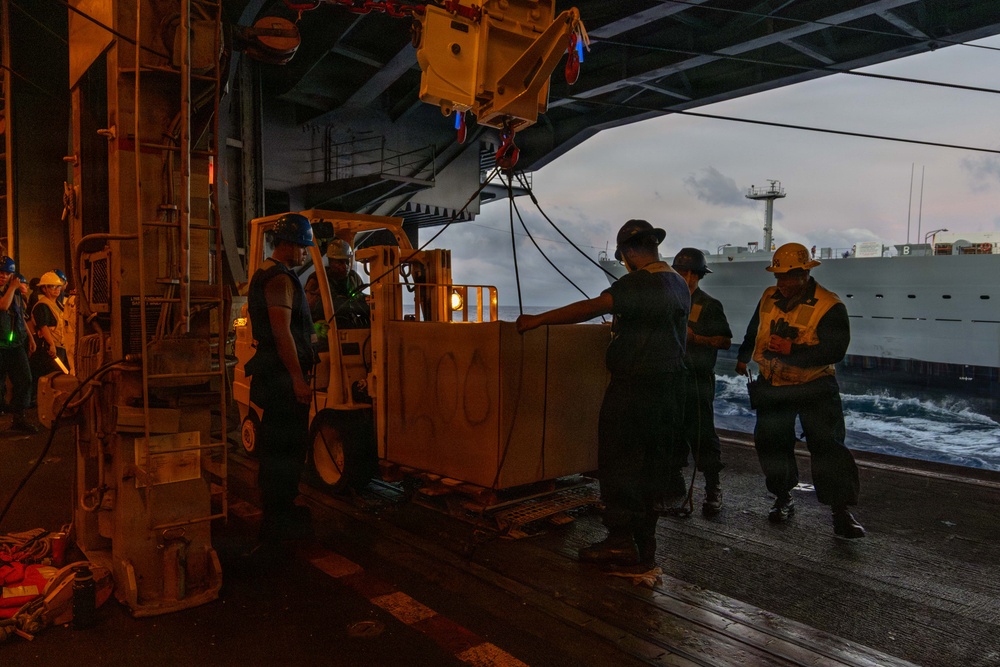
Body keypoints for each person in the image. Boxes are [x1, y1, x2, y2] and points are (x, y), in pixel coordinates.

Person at [517, 219, 690, 570]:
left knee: (620, 461)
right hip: (669, 388)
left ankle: (621, 543)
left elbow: (593, 306)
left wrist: (537, 321)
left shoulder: (639, 282)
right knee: (651, 465)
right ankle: (645, 543)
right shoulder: (678, 283)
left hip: (635, 387)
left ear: (626, 253)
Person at [735, 242, 865, 539]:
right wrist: (744, 356)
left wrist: (792, 349)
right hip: (774, 384)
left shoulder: (829, 305)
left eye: (790, 277)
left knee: (829, 448)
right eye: (779, 277)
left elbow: (835, 351)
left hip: (814, 386)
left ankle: (841, 512)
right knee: (771, 443)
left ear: (805, 273)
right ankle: (782, 498)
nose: (783, 284)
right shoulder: (769, 296)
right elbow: (756, 327)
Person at [244, 213, 316, 543]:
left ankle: (277, 514)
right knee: (287, 449)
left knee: (275, 446)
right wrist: (298, 379)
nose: (304, 253)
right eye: (302, 247)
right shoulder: (281, 280)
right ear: (287, 244)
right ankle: (279, 521)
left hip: (271, 377)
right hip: (283, 381)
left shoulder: (262, 272)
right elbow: (282, 332)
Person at [670, 248, 732, 516]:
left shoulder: (709, 305)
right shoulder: (669, 301)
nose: (684, 277)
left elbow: (725, 340)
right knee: (670, 434)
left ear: (697, 275)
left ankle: (712, 488)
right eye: (680, 272)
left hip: (698, 380)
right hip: (672, 378)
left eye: (688, 273)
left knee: (703, 436)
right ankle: (674, 487)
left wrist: (697, 339)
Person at [0, 257, 38, 432]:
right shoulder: (10, 291)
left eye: (8, 273)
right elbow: (3, 305)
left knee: (24, 379)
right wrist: (14, 287)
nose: (4, 276)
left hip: (15, 344)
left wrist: (29, 338)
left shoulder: (13, 291)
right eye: (1, 272)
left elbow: (20, 315)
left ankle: (19, 418)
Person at [304, 239, 369, 329]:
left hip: (350, 325)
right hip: (327, 328)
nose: (345, 266)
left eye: (347, 261)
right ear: (331, 262)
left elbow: (360, 298)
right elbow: (306, 308)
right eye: (340, 262)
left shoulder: (353, 277)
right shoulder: (318, 279)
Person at [30, 271, 70, 378]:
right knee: (52, 377)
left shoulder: (58, 304)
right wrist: (51, 344)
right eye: (53, 286)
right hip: (49, 350)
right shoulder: (42, 305)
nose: (57, 289)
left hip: (60, 346)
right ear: (44, 289)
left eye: (58, 286)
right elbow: (44, 326)